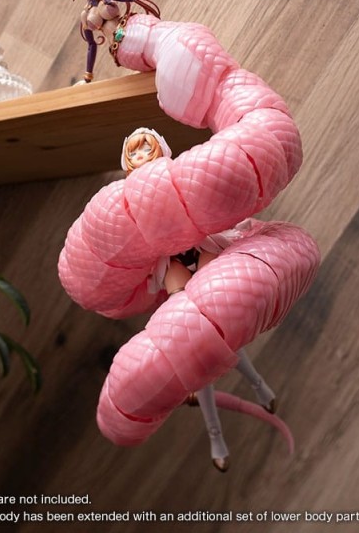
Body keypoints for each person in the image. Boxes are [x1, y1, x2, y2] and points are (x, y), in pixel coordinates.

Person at [121, 127, 277, 472]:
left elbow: (202, 199)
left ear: (160, 148)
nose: (141, 155)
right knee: (198, 346)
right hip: (171, 261)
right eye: (134, 152)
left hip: (201, 245)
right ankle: (223, 426)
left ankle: (258, 386)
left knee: (217, 330)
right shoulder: (128, 201)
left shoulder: (178, 174)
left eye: (146, 148)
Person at [70, 0, 160, 83]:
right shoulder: (85, 13)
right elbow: (91, 45)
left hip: (135, 31)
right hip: (124, 52)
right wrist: (88, 77)